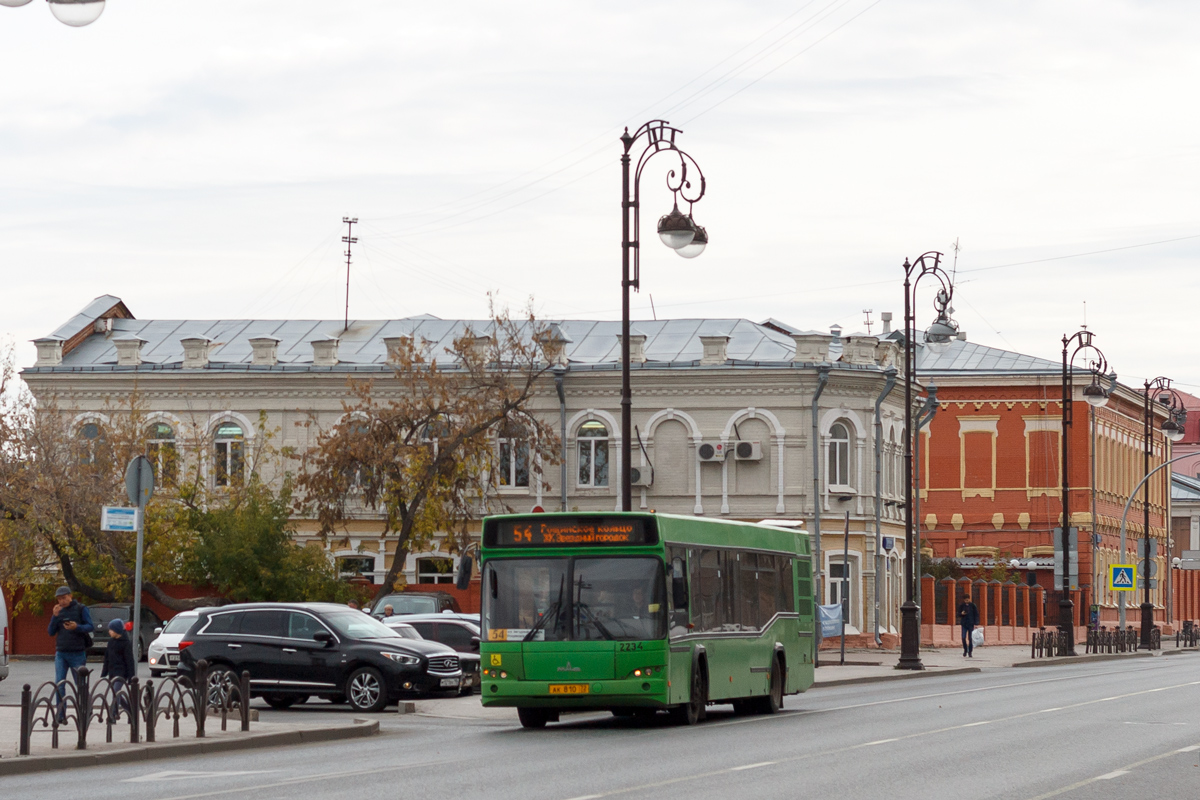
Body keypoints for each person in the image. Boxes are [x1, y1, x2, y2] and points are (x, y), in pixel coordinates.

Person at [47, 586, 95, 716]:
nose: (62, 601)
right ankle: (61, 714)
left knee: (80, 683)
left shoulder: (81, 609)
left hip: (77, 653)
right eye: (59, 599)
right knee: (59, 683)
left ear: (70, 596)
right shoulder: (58, 612)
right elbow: (51, 632)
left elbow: (90, 626)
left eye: (64, 598)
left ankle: (86, 709)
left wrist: (77, 627)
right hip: (61, 652)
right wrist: (54, 617)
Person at [101, 618, 137, 715]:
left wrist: (131, 677)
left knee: (116, 692)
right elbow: (107, 658)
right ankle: (128, 709)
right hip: (112, 672)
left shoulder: (125, 643)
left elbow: (130, 661)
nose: (109, 632)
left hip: (121, 672)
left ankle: (113, 714)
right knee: (115, 693)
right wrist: (104, 672)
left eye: (111, 630)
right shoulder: (111, 642)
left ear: (117, 630)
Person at [958, 593, 980, 658]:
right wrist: (961, 614)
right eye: (965, 600)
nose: (966, 601)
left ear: (969, 599)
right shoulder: (962, 606)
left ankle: (970, 652)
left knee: (970, 638)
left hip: (971, 624)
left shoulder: (973, 605)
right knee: (963, 637)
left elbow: (976, 614)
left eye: (967, 600)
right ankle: (965, 649)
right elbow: (958, 614)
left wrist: (976, 623)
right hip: (964, 623)